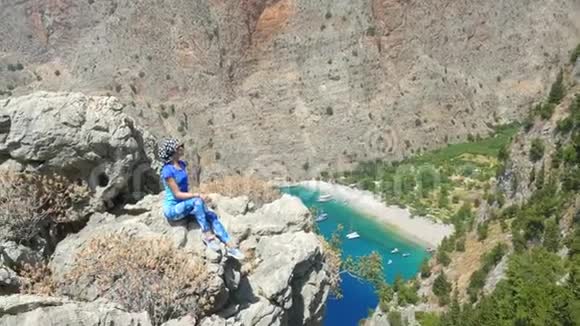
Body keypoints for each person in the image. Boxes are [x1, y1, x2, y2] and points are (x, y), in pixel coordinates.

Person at [157, 137, 244, 260]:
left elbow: (186, 189)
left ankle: (230, 245)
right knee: (198, 201)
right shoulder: (167, 171)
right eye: (180, 146)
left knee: (211, 215)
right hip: (173, 209)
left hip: (186, 205)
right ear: (174, 151)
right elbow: (177, 194)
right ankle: (207, 235)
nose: (183, 147)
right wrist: (198, 195)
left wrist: (199, 197)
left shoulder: (182, 165)